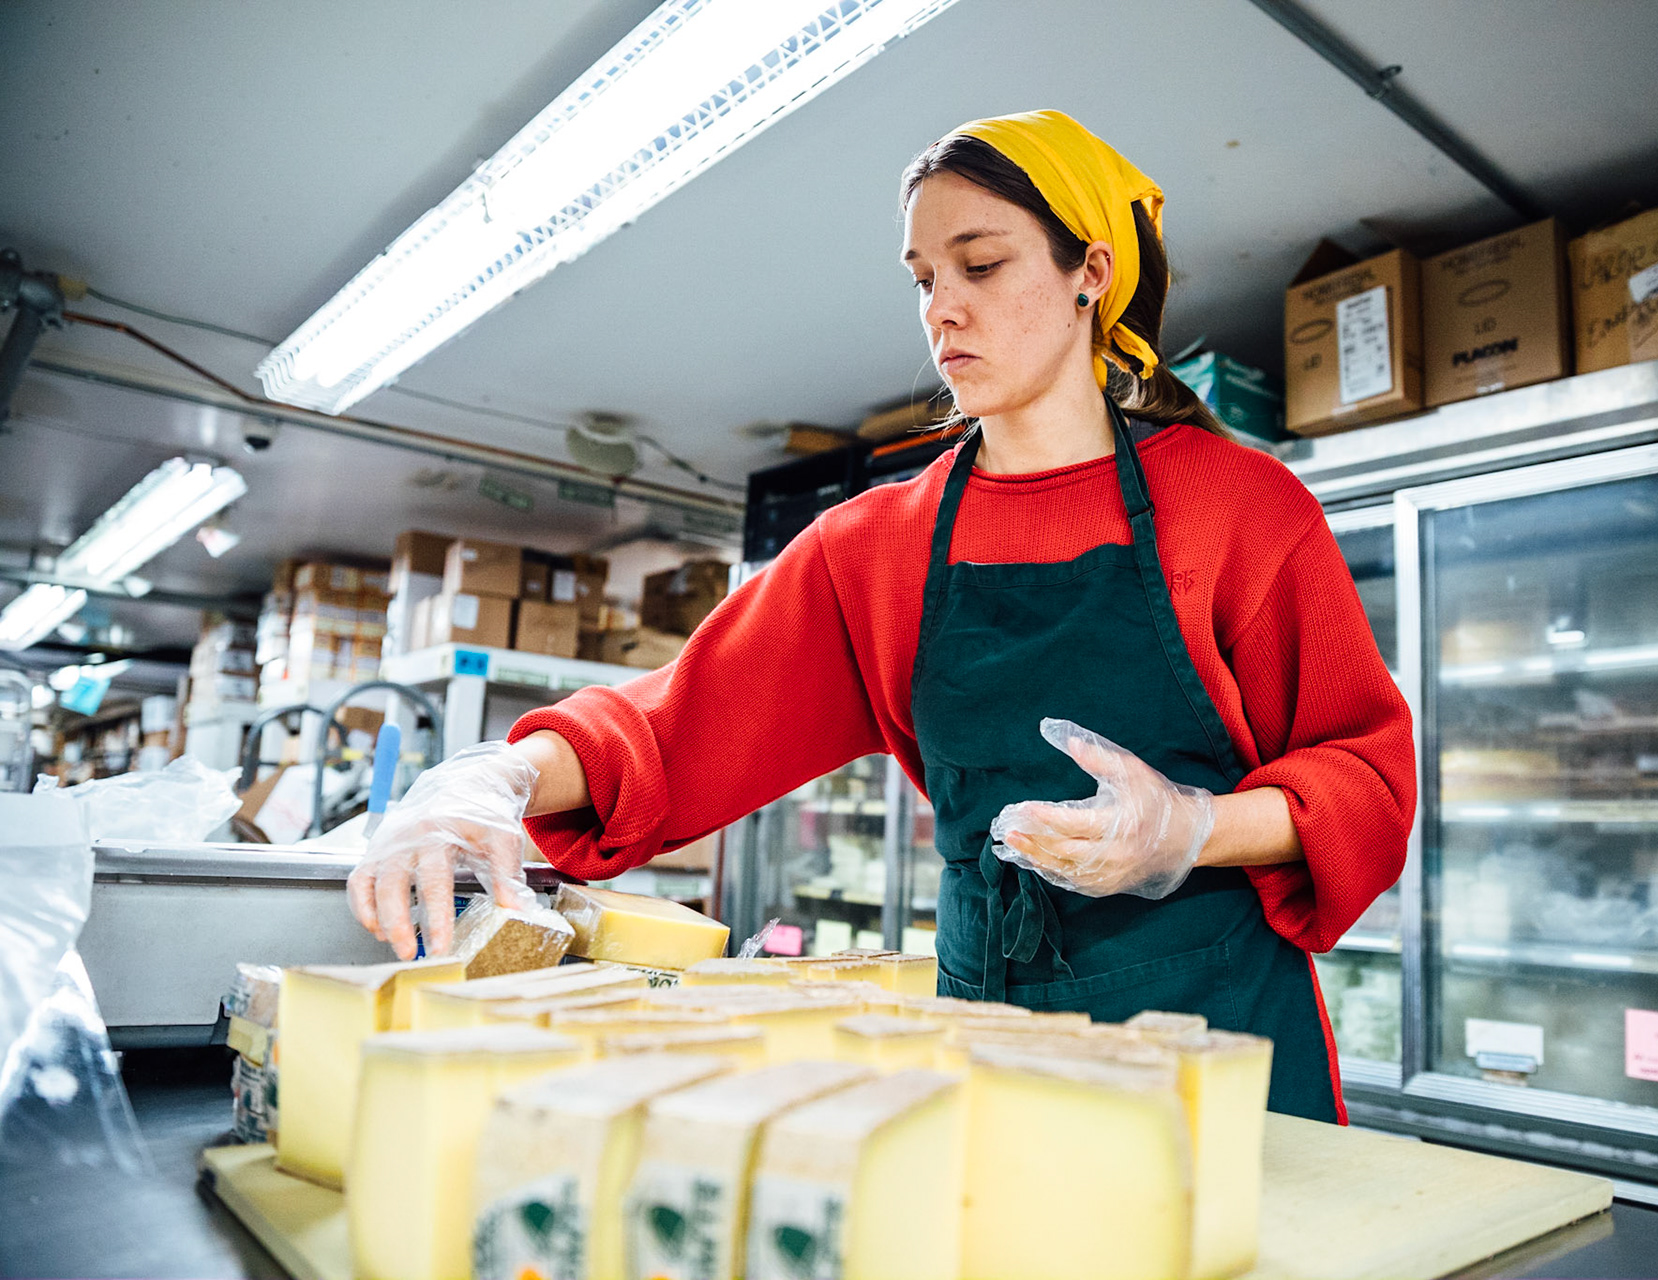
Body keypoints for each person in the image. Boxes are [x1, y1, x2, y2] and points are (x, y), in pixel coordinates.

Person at [349, 109, 1414, 1120]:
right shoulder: (881, 545)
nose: (941, 308)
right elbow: (678, 724)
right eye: (923, 277)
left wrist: (1191, 829)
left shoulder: (1235, 506)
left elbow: (1365, 771)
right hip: (989, 1023)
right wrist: (488, 776)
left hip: (1218, 1029)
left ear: (1091, 270)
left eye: (981, 264)